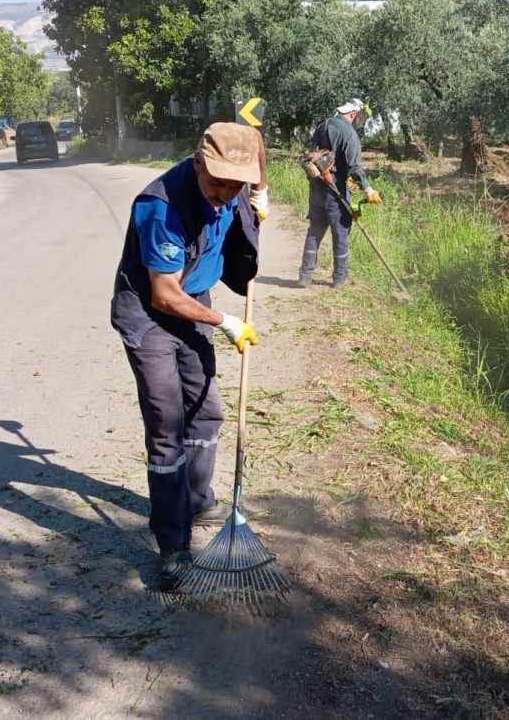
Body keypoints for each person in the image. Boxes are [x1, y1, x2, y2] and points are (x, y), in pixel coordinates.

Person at [110, 123, 267, 591]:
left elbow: (257, 158)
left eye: (234, 185)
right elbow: (164, 295)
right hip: (151, 311)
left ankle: (198, 499)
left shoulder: (236, 181)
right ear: (198, 164)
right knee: (167, 427)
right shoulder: (161, 207)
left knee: (207, 409)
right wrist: (227, 323)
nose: (225, 194)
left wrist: (259, 198)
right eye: (217, 183)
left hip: (194, 297)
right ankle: (173, 545)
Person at [298, 97, 382, 289]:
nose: (358, 121)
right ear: (353, 114)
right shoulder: (349, 133)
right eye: (358, 117)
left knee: (314, 232)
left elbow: (314, 155)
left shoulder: (322, 126)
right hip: (335, 191)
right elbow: (355, 168)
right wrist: (368, 189)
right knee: (340, 234)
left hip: (316, 189)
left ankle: (304, 275)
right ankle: (339, 278)